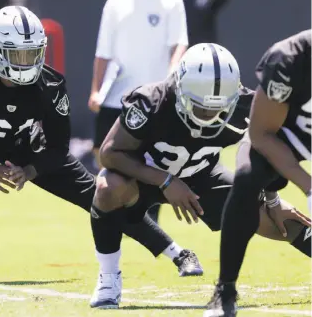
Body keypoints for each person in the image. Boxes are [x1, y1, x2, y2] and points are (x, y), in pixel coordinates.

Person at [0, 6, 199, 284]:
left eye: (32, 54)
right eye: (16, 55)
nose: (26, 62)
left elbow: (57, 147)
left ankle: (177, 252)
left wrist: (30, 170)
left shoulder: (50, 86)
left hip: (26, 149)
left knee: (102, 195)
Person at [87, 43, 311, 309]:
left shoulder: (244, 104)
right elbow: (110, 154)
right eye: (201, 106)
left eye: (217, 108)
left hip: (202, 176)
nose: (209, 114)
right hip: (143, 177)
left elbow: (267, 148)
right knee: (108, 187)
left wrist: (272, 199)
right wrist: (166, 180)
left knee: (279, 220)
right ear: (180, 88)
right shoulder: (151, 101)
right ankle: (109, 277)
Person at [204, 30, 311, 317]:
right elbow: (262, 135)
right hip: (280, 136)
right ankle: (225, 288)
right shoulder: (289, 60)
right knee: (247, 180)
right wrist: (308, 187)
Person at [88, 0, 189, 223]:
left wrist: (171, 75)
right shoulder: (115, 0)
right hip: (116, 100)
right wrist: (96, 90)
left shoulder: (171, 1)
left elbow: (179, 44)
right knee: (105, 159)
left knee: (151, 163)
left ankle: (147, 222)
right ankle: (110, 216)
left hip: (155, 103)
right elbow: (103, 52)